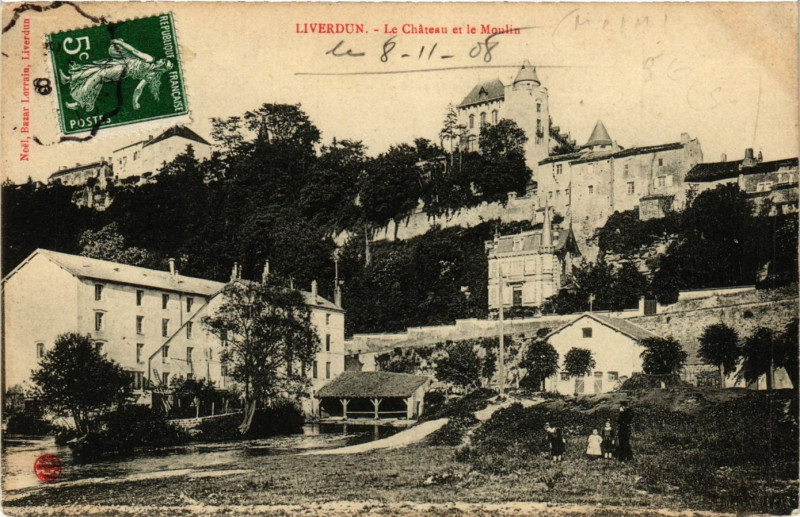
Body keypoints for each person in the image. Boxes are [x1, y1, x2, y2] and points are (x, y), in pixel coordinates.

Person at [59, 39, 173, 112]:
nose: (161, 60)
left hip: (122, 70)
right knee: (94, 69)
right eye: (163, 59)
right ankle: (69, 79)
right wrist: (120, 43)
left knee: (96, 77)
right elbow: (134, 52)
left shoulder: (151, 75)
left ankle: (79, 102)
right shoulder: (150, 59)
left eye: (163, 61)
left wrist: (135, 102)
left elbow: (139, 88)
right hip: (122, 61)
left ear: (162, 67)